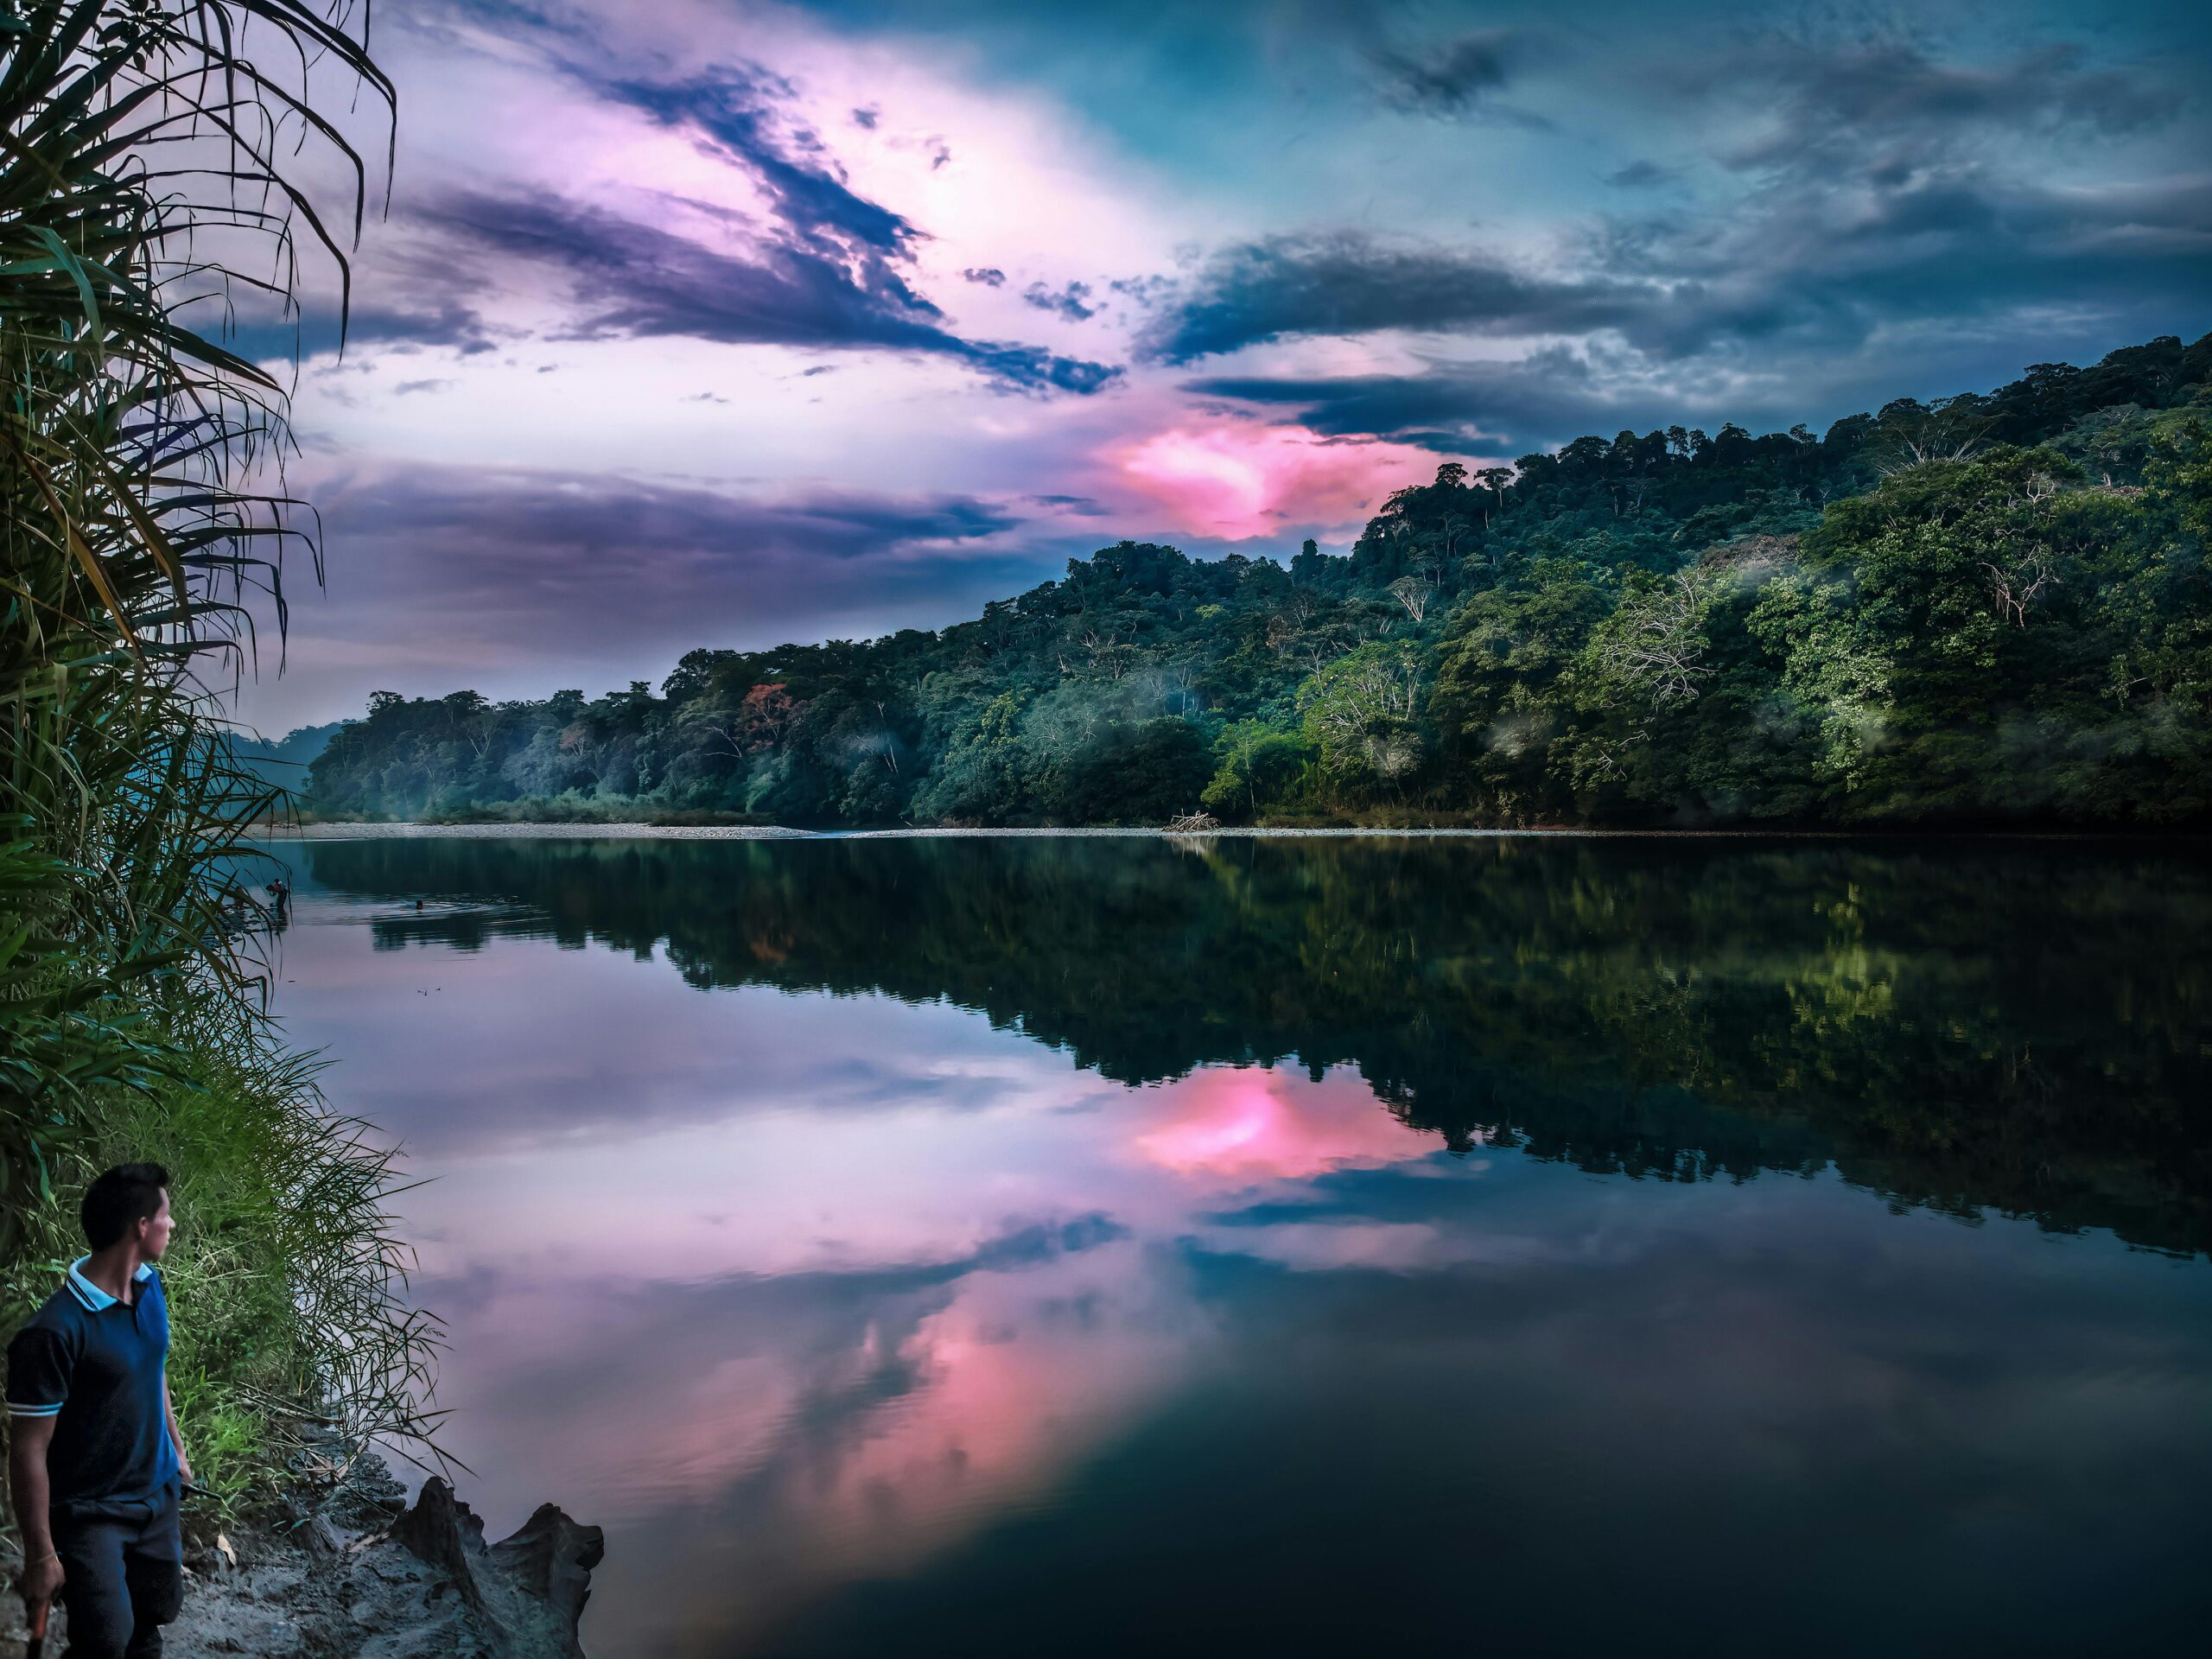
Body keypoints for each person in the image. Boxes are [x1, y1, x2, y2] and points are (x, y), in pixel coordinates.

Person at [7, 1165, 192, 1658]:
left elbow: (153, 1366)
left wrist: (176, 1449)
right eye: (165, 1216)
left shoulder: (148, 1286)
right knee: (105, 1640)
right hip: (90, 1512)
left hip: (156, 1494)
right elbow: (28, 1449)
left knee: (153, 1617)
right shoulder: (52, 1332)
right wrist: (41, 1553)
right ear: (140, 1227)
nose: (171, 1225)